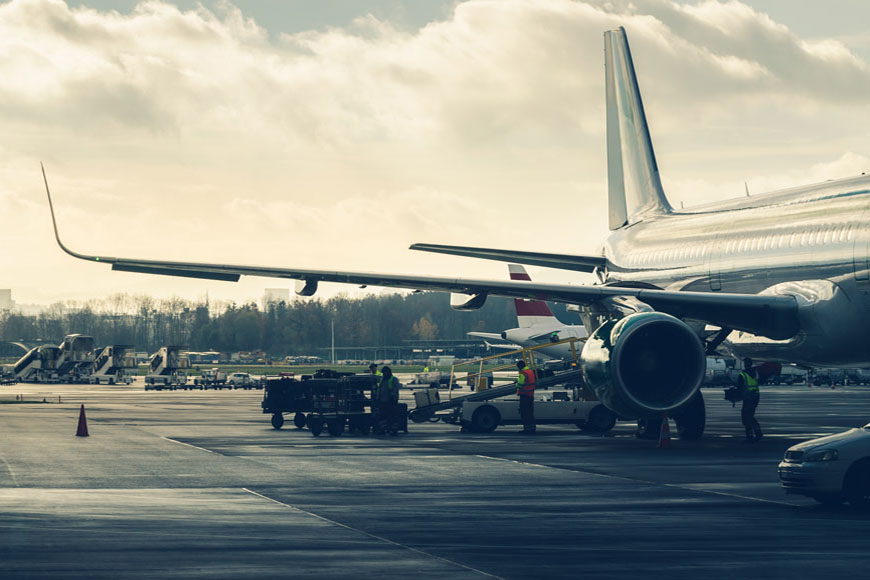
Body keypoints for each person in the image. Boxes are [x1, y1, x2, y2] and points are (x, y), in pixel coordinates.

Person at [737, 357, 763, 443]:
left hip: (748, 397)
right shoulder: (755, 373)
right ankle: (757, 431)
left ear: (745, 364)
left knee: (746, 416)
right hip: (756, 396)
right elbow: (760, 381)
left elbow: (739, 388)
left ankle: (750, 435)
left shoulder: (743, 375)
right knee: (750, 415)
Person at [375, 366, 401, 434]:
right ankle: (383, 429)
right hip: (383, 401)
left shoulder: (394, 379)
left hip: (391, 401)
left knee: (393, 416)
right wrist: (378, 398)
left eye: (385, 372)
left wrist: (392, 397)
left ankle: (393, 430)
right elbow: (379, 390)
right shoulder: (382, 379)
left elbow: (395, 389)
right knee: (382, 416)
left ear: (388, 372)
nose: (383, 374)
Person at [516, 360, 536, 434]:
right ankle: (532, 428)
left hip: (524, 395)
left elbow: (520, 385)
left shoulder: (523, 373)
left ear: (520, 366)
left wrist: (516, 384)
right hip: (530, 394)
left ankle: (527, 429)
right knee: (530, 412)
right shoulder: (530, 372)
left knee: (524, 412)